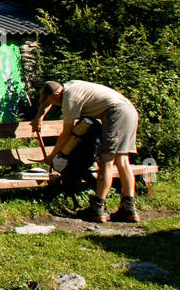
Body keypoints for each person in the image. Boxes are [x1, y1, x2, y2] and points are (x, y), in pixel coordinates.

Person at [32, 79, 140, 223]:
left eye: (50, 100)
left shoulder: (70, 99)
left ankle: (97, 208)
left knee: (106, 161)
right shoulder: (70, 86)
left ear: (57, 94)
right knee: (122, 161)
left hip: (115, 114)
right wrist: (39, 117)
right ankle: (129, 209)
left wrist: (52, 156)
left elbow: (66, 133)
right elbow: (47, 101)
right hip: (129, 111)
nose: (50, 104)